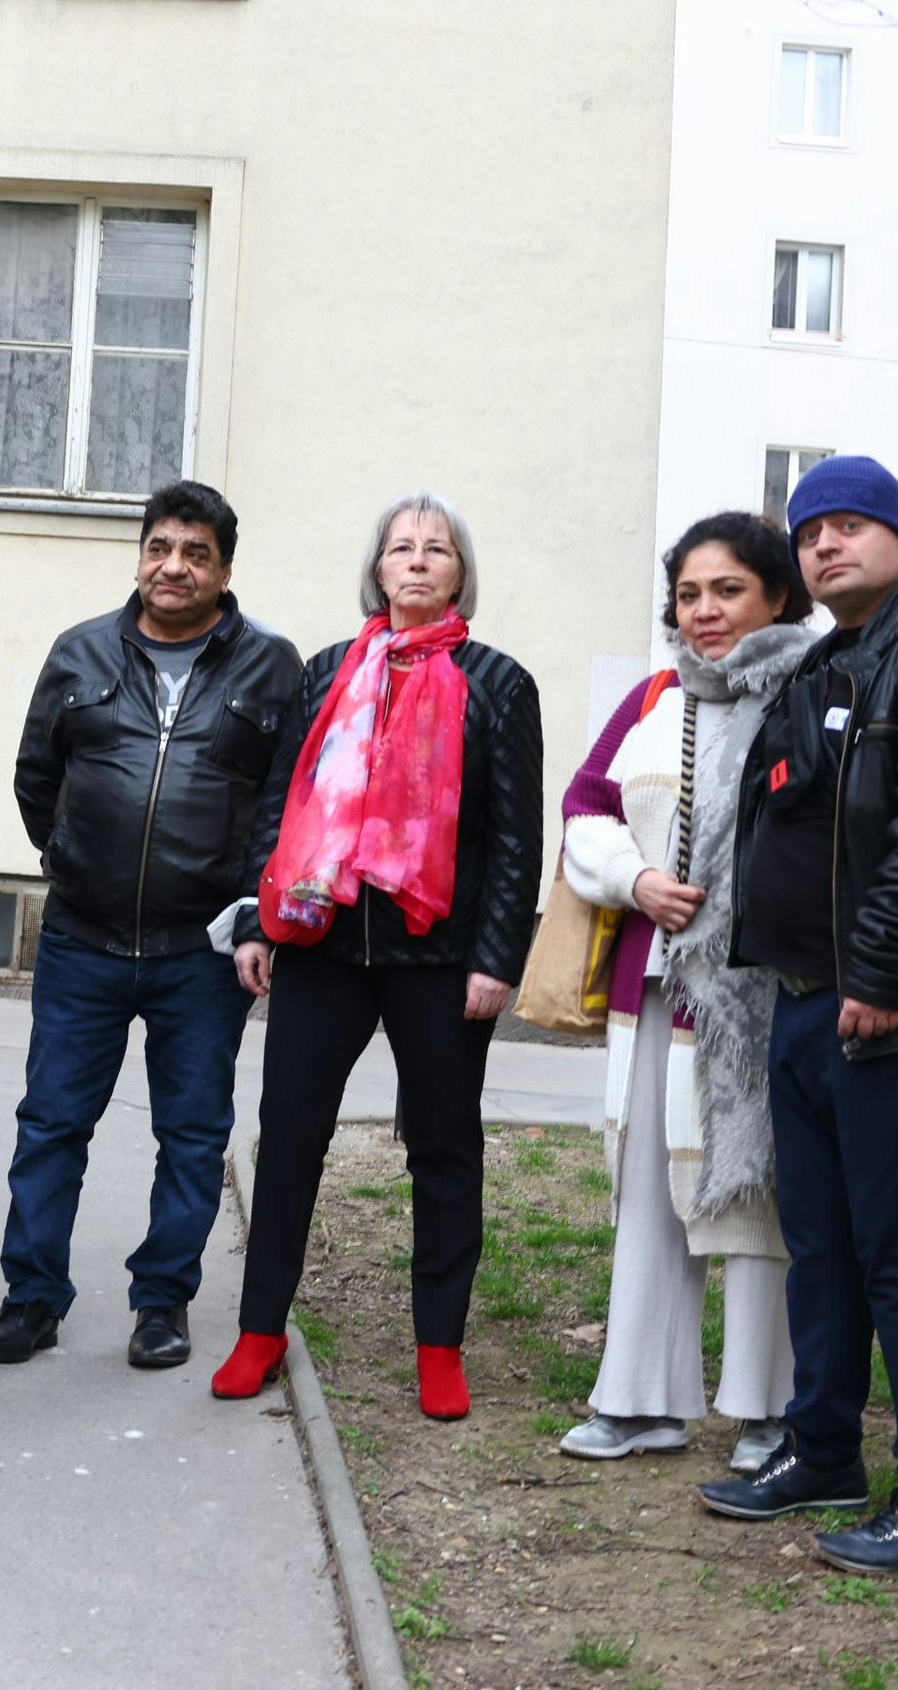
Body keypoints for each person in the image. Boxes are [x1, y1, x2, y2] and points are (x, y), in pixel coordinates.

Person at [700, 455, 898, 1575]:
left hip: (886, 1007)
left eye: (850, 524)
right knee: (821, 1245)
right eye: (810, 530)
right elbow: (806, 820)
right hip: (801, 998)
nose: (826, 543)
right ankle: (821, 1445)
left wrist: (876, 977)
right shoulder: (831, 659)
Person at [214, 492, 543, 1423]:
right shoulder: (326, 673)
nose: (417, 561)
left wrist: (496, 958)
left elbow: (515, 835)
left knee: (442, 1151)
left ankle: (439, 1347)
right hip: (321, 946)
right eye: (401, 547)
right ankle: (258, 1331)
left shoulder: (497, 682)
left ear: (457, 572)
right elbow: (279, 808)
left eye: (436, 549)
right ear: (378, 567)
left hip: (439, 957)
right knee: (287, 1143)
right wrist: (253, 923)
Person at [0, 481, 304, 1374]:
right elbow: (34, 777)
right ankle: (30, 1299)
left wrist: (250, 917)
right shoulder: (79, 652)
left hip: (199, 951)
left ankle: (161, 1302)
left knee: (191, 1134)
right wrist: (71, 860)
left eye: (196, 553)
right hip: (81, 940)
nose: (174, 566)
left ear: (224, 570)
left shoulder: (271, 668)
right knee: (50, 1125)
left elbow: (280, 808)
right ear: (140, 554)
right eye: (161, 547)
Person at [553, 513, 813, 1470]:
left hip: (764, 995)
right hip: (657, 985)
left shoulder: (816, 692)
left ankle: (766, 1409)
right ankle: (638, 1401)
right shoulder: (654, 698)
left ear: (777, 596)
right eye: (689, 593)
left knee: (753, 1191)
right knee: (649, 1197)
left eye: (728, 590)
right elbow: (584, 805)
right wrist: (635, 881)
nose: (704, 611)